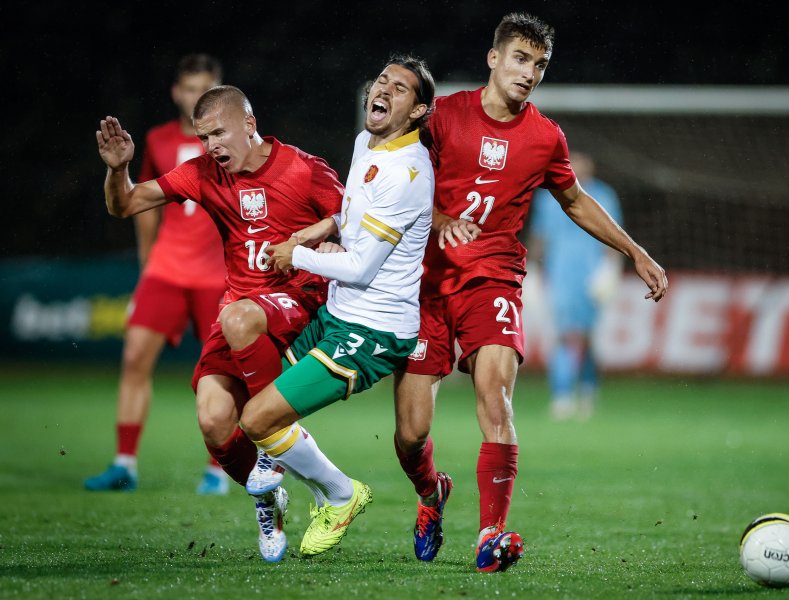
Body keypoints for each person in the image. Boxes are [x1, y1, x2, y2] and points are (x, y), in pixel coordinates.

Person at [392, 12, 668, 572]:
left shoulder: (545, 137)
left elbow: (574, 201)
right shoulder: (442, 116)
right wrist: (439, 216)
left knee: (496, 400)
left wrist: (634, 252)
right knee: (410, 433)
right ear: (494, 58)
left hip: (493, 277)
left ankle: (490, 534)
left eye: (539, 65)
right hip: (424, 283)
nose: (530, 72)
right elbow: (393, 176)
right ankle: (431, 496)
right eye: (520, 59)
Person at [95, 84, 344, 562]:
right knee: (212, 420)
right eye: (204, 136)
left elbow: (354, 216)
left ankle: (272, 442)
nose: (211, 146)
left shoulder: (305, 169)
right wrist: (118, 170)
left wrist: (327, 240)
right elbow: (123, 204)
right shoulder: (202, 174)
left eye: (219, 134)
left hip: (299, 304)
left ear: (250, 125)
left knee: (239, 317)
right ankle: (268, 500)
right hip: (241, 313)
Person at [239, 54, 434, 560]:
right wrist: (323, 230)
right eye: (383, 80)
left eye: (401, 88)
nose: (384, 89)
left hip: (374, 330)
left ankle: (342, 495)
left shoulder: (408, 172)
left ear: (417, 112)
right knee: (259, 405)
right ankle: (304, 480)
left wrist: (296, 253)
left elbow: (363, 268)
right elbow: (352, 212)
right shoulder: (365, 141)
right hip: (338, 314)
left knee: (258, 421)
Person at [85, 54, 230, 495]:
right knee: (133, 360)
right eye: (188, 89)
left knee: (222, 373)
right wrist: (146, 267)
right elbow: (139, 205)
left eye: (204, 88)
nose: (195, 97)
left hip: (216, 275)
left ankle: (218, 470)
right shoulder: (158, 140)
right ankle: (124, 463)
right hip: (167, 269)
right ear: (176, 92)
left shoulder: (232, 143)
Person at [529, 150, 623, 420]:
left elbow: (615, 234)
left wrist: (610, 269)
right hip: (559, 274)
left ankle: (588, 388)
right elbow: (539, 235)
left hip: (591, 275)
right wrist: (533, 270)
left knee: (588, 336)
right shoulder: (548, 197)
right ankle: (562, 395)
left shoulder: (603, 195)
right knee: (561, 334)